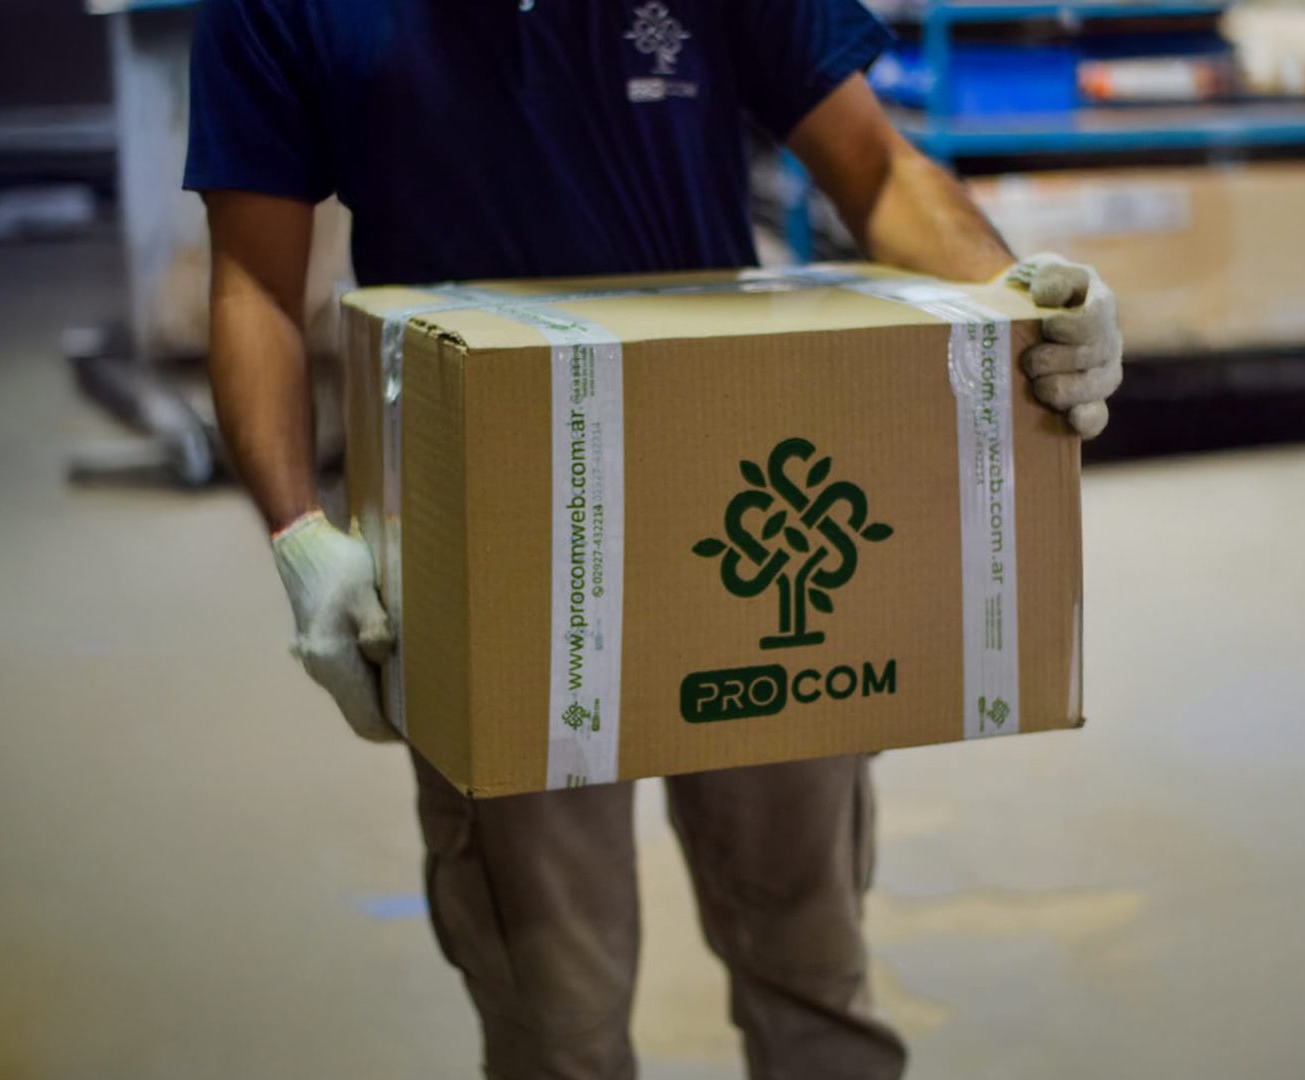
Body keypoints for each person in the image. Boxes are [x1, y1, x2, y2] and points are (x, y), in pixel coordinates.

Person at [186, 2, 1123, 1076]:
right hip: (493, 546)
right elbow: (254, 281)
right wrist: (302, 538)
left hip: (742, 499)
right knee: (557, 1014)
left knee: (810, 959)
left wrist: (1015, 308)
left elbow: (873, 169)